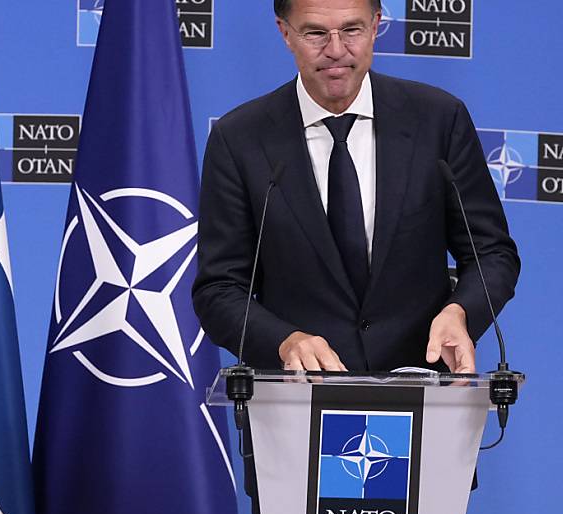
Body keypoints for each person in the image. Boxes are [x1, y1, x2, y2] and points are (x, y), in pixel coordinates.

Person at [193, 0, 519, 375]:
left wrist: (460, 312)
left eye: (351, 30)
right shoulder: (240, 139)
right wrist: (284, 341)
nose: (335, 49)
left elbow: (491, 253)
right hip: (293, 401)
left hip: (420, 387)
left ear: (376, 25)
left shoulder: (438, 121)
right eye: (315, 33)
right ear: (285, 33)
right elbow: (218, 289)